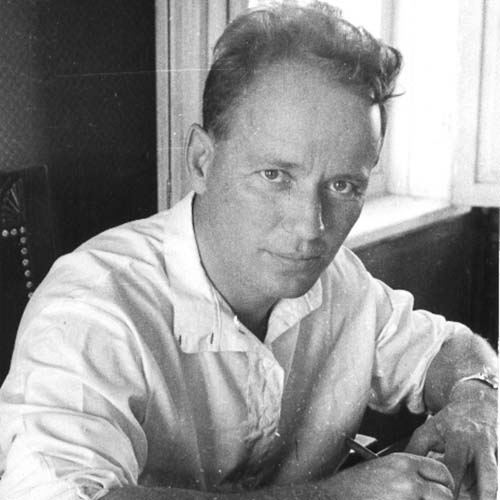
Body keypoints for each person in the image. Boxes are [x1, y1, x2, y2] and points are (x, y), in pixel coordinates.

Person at [0, 3, 497, 500]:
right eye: (275, 176)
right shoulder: (93, 308)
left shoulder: (341, 282)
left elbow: (449, 349)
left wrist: (476, 399)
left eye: (343, 186)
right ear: (201, 162)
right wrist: (334, 496)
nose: (311, 227)